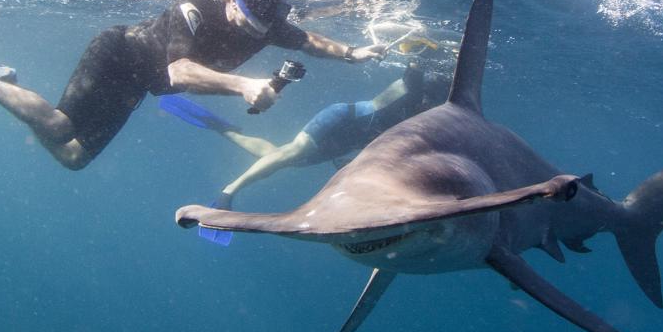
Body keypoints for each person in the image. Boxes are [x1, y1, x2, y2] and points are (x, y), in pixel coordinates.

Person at [0, 0, 386, 170]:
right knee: (60, 126)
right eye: (245, 18)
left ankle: (12, 91)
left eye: (262, 26)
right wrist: (244, 85)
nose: (250, 31)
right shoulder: (192, 7)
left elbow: (308, 40)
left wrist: (353, 53)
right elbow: (178, 73)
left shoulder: (267, 24)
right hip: (116, 54)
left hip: (139, 83)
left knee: (75, 158)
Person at [161, 63, 448, 209]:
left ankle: (220, 127)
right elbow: (414, 69)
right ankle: (229, 190)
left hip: (349, 139)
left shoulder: (423, 115)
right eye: (433, 103)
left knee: (281, 156)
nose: (432, 110)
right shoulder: (414, 87)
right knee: (288, 155)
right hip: (342, 119)